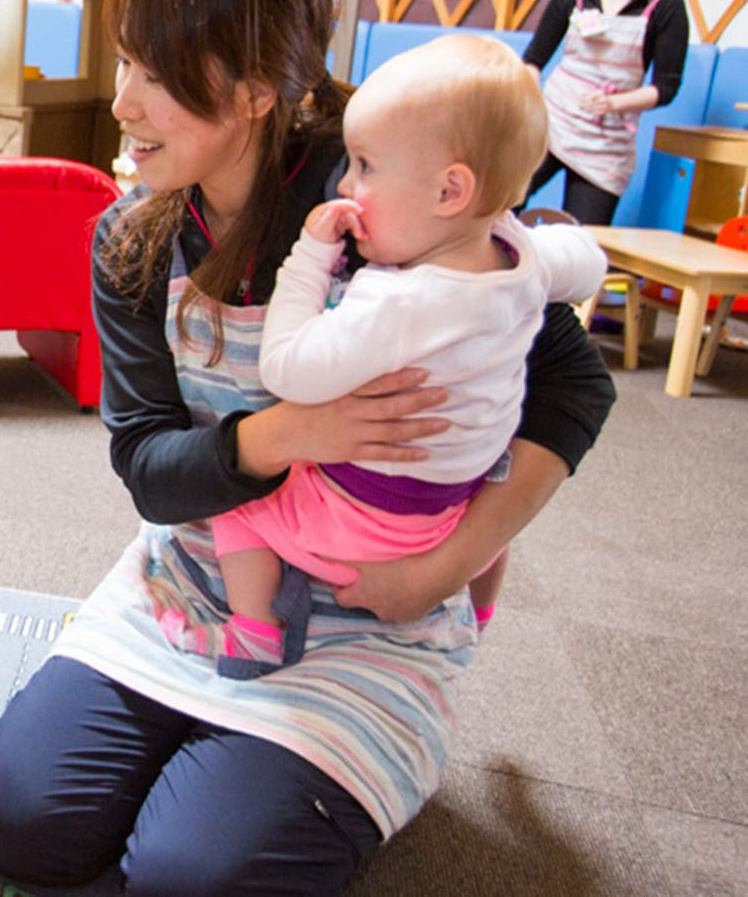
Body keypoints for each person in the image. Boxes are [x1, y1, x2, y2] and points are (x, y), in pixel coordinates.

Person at [0, 0, 616, 895]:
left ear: (255, 88)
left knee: (190, 876)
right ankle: (212, 744)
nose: (120, 101)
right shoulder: (133, 241)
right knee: (15, 816)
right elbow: (149, 473)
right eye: (123, 63)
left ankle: (355, 749)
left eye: (154, 74)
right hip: (188, 583)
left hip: (369, 609)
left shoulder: (378, 208)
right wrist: (289, 430)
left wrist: (449, 562)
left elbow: (572, 385)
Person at [199, 36, 606, 679]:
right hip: (457, 502)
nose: (346, 183)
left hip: (367, 518)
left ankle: (253, 630)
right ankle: (478, 613)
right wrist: (563, 244)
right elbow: (585, 262)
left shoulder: (402, 302)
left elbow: (287, 366)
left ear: (449, 191)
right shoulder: (518, 257)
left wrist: (309, 258)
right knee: (498, 495)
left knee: (230, 494)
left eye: (364, 165)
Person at [522, 0, 691, 225]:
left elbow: (666, 87)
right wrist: (526, 97)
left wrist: (614, 103)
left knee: (581, 239)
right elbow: (533, 59)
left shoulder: (665, 4)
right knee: (500, 201)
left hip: (606, 141)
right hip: (554, 121)